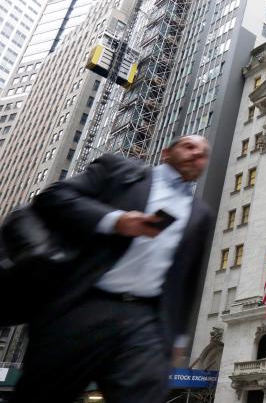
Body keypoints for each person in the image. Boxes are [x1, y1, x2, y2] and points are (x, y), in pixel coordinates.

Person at [12, 135, 214, 403]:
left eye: (202, 153)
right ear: (166, 153)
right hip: (86, 303)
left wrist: (177, 337)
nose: (196, 155)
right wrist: (114, 221)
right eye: (189, 146)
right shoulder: (118, 171)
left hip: (145, 321)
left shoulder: (200, 213)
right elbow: (52, 196)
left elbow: (187, 280)